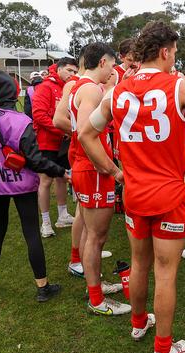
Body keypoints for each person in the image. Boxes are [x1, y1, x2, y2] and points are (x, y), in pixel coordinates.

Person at [89, 22, 185, 353]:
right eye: (175, 52)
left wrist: (113, 171)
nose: (174, 57)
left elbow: (85, 134)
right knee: (165, 273)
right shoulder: (179, 86)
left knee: (139, 264)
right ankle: (163, 349)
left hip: (135, 193)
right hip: (171, 195)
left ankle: (138, 324)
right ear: (165, 51)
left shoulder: (116, 91)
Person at [0, 69, 68, 302]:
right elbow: (36, 160)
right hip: (21, 185)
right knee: (31, 232)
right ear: (13, 92)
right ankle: (42, 287)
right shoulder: (22, 121)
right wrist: (62, 171)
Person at [69, 42, 127, 314]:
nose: (113, 70)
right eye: (113, 64)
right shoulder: (91, 89)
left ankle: (95, 286)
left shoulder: (76, 86)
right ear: (102, 62)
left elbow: (66, 123)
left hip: (86, 166)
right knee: (96, 237)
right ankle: (97, 301)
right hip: (93, 170)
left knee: (90, 234)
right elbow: (84, 133)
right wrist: (112, 169)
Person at [32, 57, 78, 237]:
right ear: (58, 69)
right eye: (68, 70)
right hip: (46, 143)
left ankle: (62, 215)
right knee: (45, 181)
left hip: (63, 143)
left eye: (75, 71)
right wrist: (61, 130)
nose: (72, 75)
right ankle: (45, 222)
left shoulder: (69, 88)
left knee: (62, 177)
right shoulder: (45, 87)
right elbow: (39, 115)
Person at [53, 49, 87, 278]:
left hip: (83, 153)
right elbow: (57, 119)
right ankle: (79, 258)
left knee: (84, 211)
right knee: (85, 210)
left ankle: (83, 254)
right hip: (85, 155)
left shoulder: (77, 84)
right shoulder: (76, 85)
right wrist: (80, 134)